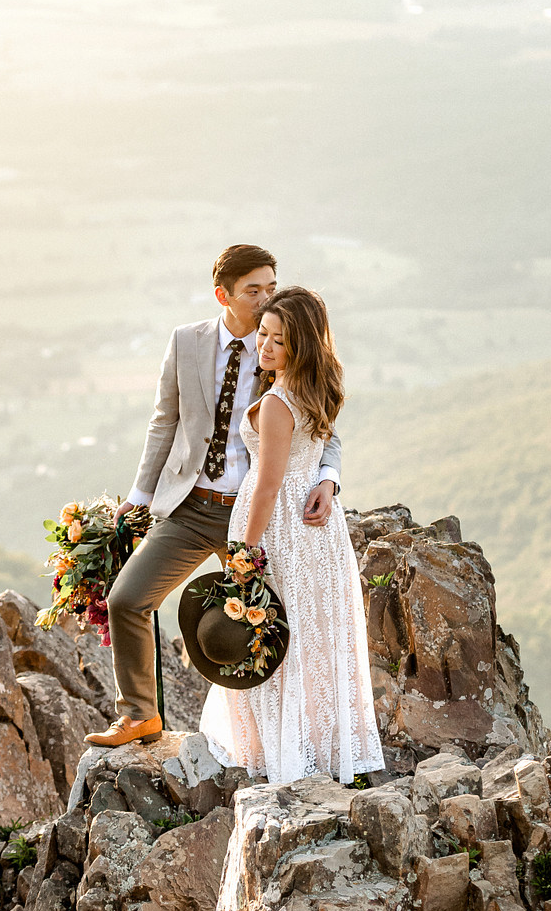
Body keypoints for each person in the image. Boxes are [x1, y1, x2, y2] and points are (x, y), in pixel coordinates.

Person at [85, 245, 342, 749]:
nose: (268, 297)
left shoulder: (286, 345)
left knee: (273, 626)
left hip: (258, 518)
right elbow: (165, 421)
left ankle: (288, 736)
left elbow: (324, 423)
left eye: (272, 286)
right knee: (127, 600)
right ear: (224, 295)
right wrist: (140, 496)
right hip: (192, 505)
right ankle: (139, 715)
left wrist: (327, 477)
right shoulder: (187, 342)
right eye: (255, 290)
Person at [200, 286, 385, 785]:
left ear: (299, 348)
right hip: (318, 535)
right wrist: (324, 480)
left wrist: (244, 549)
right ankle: (316, 749)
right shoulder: (314, 389)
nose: (265, 346)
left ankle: (279, 754)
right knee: (308, 634)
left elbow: (268, 482)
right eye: (263, 334)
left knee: (269, 632)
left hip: (281, 526)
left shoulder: (280, 402)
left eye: (278, 341)